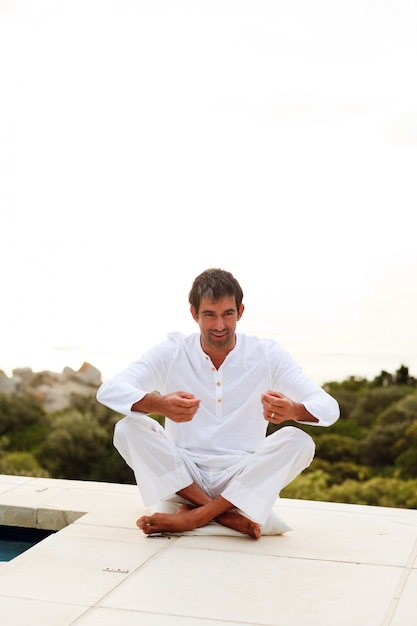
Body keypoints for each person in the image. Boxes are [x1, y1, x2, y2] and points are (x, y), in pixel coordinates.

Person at [97, 268, 339, 539]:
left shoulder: (266, 354)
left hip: (241, 473)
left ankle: (195, 516)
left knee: (300, 442)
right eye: (209, 315)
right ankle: (226, 517)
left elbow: (329, 407)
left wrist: (294, 410)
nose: (219, 326)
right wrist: (159, 404)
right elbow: (109, 391)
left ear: (241, 311)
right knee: (127, 429)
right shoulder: (173, 351)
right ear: (194, 314)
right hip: (184, 473)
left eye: (228, 314)